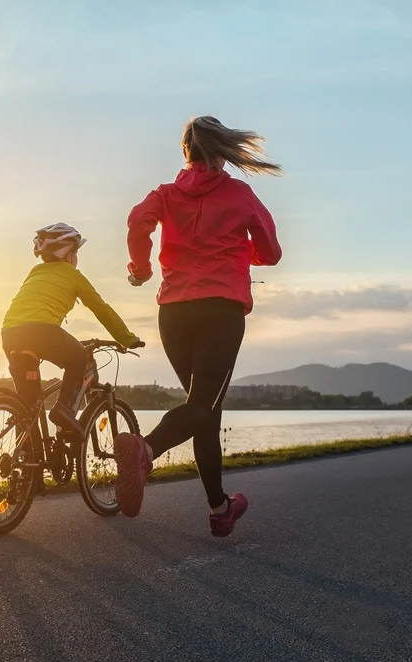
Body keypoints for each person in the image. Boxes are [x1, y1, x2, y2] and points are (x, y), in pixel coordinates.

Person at [114, 116, 282, 537]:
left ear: (185, 152)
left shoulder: (166, 194)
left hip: (173, 313)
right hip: (219, 310)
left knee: (203, 410)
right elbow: (271, 252)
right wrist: (242, 255)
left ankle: (219, 508)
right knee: (202, 407)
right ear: (223, 151)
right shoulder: (239, 193)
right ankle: (145, 448)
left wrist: (141, 268)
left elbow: (138, 222)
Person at [2, 223, 141, 434]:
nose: (76, 258)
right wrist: (127, 339)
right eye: (76, 253)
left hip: (10, 334)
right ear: (68, 255)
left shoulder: (35, 271)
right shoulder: (72, 274)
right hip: (42, 331)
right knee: (78, 357)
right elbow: (101, 309)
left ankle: (31, 459)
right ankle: (64, 408)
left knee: (27, 404)